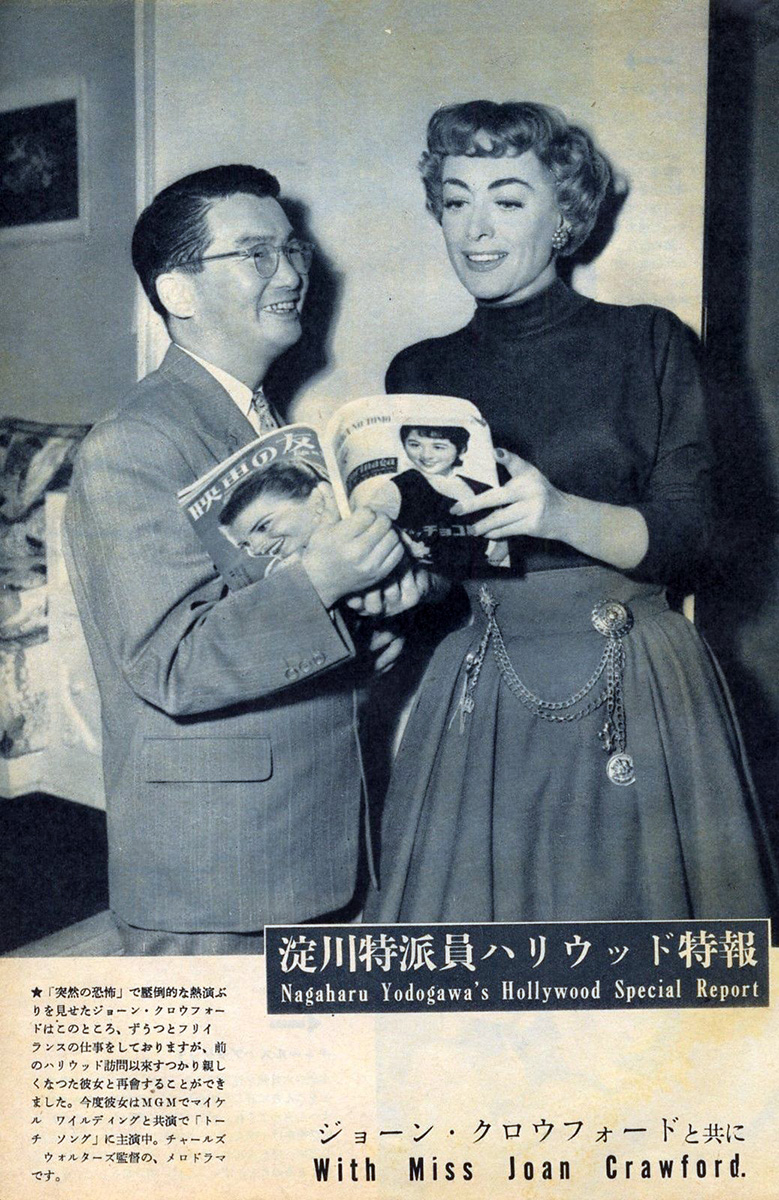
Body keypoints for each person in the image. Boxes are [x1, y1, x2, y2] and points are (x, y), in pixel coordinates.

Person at [364, 101, 778, 923]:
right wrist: (396, 589)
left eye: (508, 200)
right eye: (455, 199)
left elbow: (697, 543)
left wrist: (556, 512)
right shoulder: (418, 368)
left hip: (633, 675)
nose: (474, 228)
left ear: (565, 218)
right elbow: (450, 570)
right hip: (479, 685)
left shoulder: (648, 341)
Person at [64, 164, 409, 954]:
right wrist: (326, 578)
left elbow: (265, 614)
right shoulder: (136, 443)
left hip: (309, 849)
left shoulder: (265, 426)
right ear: (177, 292)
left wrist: (365, 623)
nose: (290, 272)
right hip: (215, 876)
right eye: (255, 254)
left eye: (292, 250)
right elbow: (173, 663)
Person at [218, 460, 339, 573]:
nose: (256, 548)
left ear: (317, 496)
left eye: (263, 526)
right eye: (245, 545)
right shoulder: (280, 572)